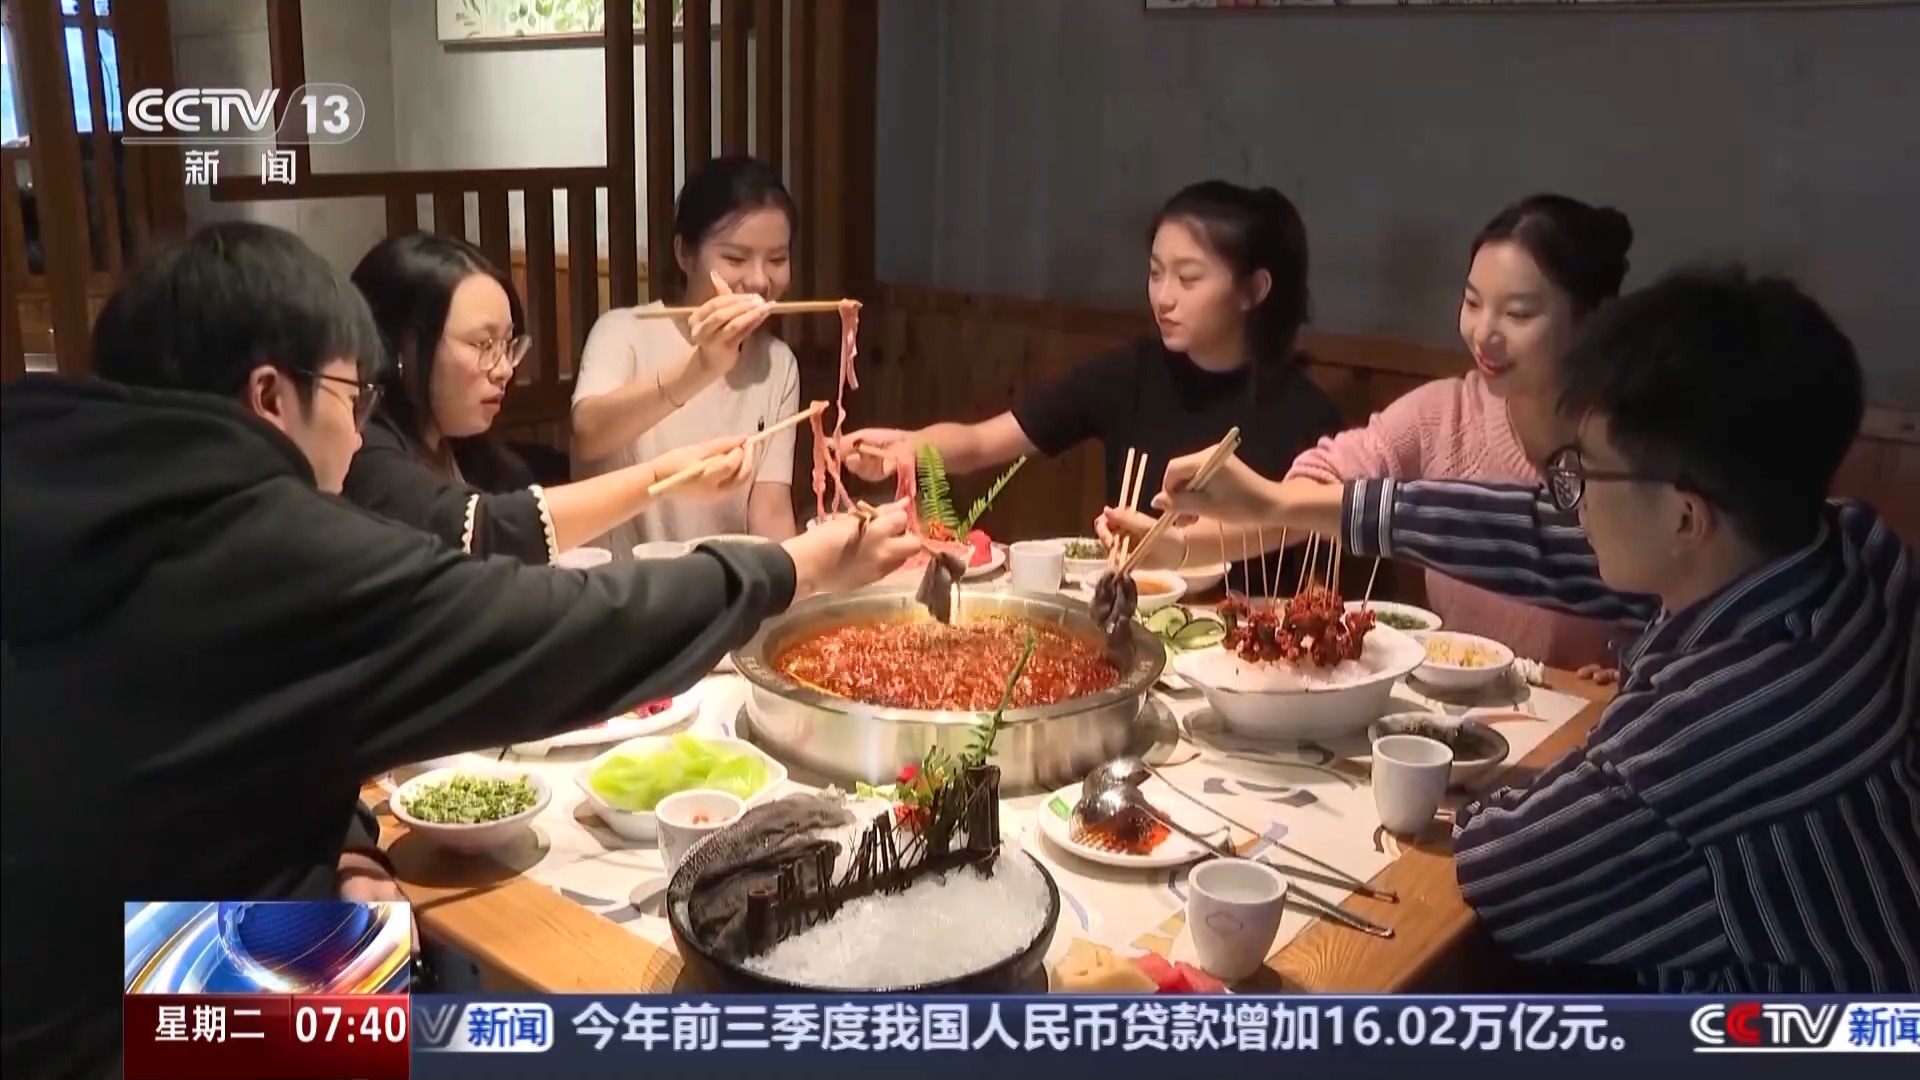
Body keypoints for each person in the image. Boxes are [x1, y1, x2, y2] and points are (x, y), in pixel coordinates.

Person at [0, 222, 921, 1079]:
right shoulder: (250, 543)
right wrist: (791, 568)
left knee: (430, 972)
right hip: (124, 1025)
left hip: (108, 965)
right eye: (351, 397)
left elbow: (239, 725)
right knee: (553, 1025)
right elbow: (551, 630)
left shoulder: (70, 482)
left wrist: (349, 852)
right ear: (270, 397)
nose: (358, 432)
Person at [1155, 266, 1918, 992]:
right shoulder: (1846, 549)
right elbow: (1537, 537)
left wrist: (1475, 800)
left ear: (1686, 517)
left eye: (1585, 474)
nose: (1568, 502)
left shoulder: (1720, 717)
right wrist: (1282, 506)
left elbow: (1506, 874)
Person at [1104, 195, 1634, 675]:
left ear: (1591, 320)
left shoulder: (1635, 444)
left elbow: (1662, 594)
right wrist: (1179, 546)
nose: (1484, 332)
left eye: (1518, 313)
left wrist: (1641, 662)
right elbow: (1319, 488)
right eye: (1473, 303)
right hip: (1456, 707)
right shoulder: (1446, 413)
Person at [840, 180, 1344, 579]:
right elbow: (982, 442)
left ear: (1254, 289)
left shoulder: (1305, 415)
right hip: (1130, 615)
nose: (1163, 297)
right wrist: (904, 448)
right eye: (1155, 273)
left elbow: (1300, 526)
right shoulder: (1129, 374)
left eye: (1188, 278)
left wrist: (1181, 547)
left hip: (1251, 647)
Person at [343, 232, 754, 563]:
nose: (504, 369)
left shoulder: (480, 460)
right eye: (483, 345)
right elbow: (489, 528)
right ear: (401, 346)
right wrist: (662, 478)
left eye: (508, 345)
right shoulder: (360, 453)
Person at [570, 156, 802, 551]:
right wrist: (702, 367)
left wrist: (802, 579)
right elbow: (588, 434)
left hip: (720, 581)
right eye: (735, 259)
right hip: (620, 580)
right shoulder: (624, 332)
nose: (760, 280)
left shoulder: (777, 363)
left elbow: (770, 511)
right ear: (685, 254)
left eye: (777, 259)